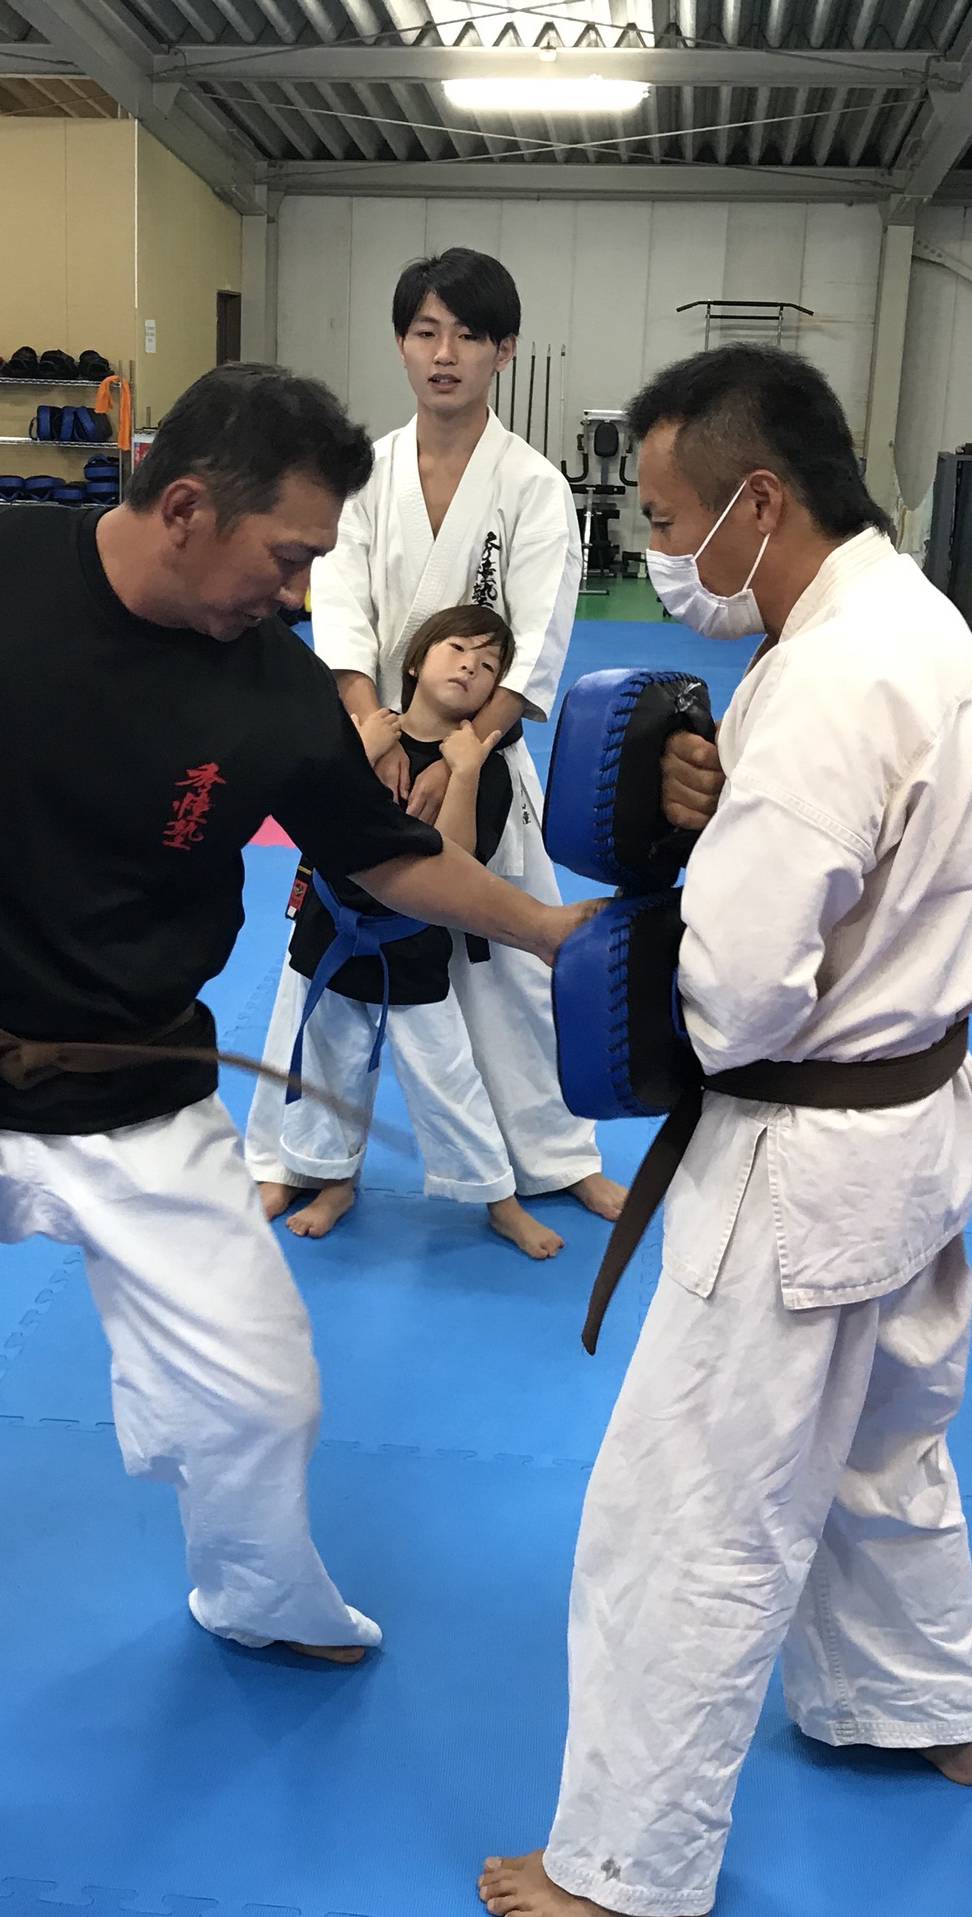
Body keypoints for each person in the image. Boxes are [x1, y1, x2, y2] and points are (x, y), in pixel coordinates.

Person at [0, 363, 592, 1746]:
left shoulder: (274, 689)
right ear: (185, 508)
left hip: (140, 1085)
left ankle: (256, 1595)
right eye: (287, 555)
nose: (298, 592)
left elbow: (381, 854)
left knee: (258, 1389)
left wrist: (543, 929)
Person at [478, 346, 972, 1917]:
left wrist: (666, 911)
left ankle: (632, 1869)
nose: (661, 554)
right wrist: (724, 803)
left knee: (687, 1513)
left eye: (670, 521)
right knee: (881, 1446)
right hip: (918, 1122)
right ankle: (916, 1709)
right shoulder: (907, 618)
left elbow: (734, 1002)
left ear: (759, 501)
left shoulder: (822, 686)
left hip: (800, 1164)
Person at [302, 246, 623, 1226]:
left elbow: (538, 638)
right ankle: (310, 1155)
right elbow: (339, 608)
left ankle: (555, 1156)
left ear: (503, 350)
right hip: (373, 751)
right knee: (330, 952)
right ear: (400, 343)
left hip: (484, 760)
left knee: (515, 967)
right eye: (424, 332)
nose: (444, 354)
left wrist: (461, 752)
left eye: (468, 336)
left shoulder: (531, 485)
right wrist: (372, 727)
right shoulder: (363, 474)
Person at [247, 604, 563, 1260]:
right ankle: (330, 1181)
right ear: (416, 661)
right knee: (325, 1072)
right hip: (329, 932)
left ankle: (499, 1200)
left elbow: (456, 863)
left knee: (449, 1080)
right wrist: (359, 754)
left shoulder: (484, 764)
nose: (471, 667)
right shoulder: (356, 731)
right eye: (458, 649)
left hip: (414, 946)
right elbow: (311, 815)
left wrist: (465, 771)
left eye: (489, 665)